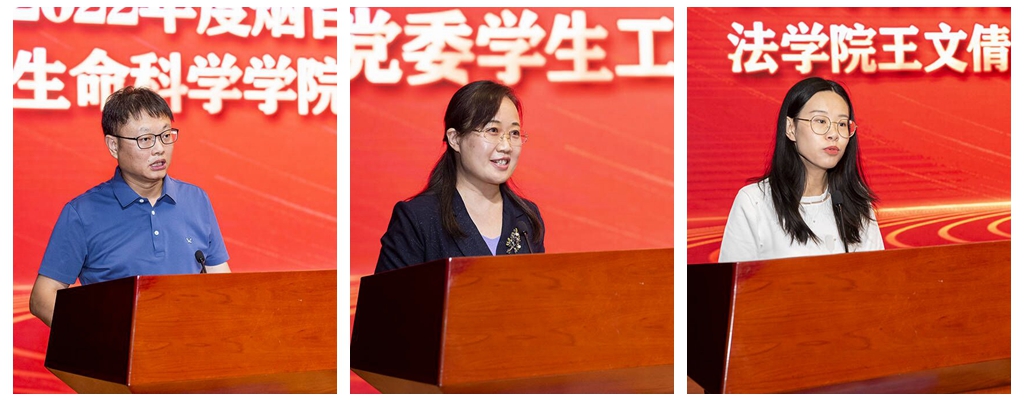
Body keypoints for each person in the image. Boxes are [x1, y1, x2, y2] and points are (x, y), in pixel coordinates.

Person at [29, 86, 231, 327]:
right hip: (119, 349)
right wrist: (97, 339)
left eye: (166, 135)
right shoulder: (82, 213)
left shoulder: (196, 199)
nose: (159, 148)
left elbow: (222, 283)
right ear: (113, 145)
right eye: (145, 139)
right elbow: (43, 297)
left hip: (191, 343)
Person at [375, 80, 545, 273]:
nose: (506, 146)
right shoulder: (418, 218)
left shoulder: (526, 218)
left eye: (514, 133)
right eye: (492, 131)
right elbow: (388, 293)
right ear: (455, 139)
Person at [719, 77, 883, 262]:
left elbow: (878, 276)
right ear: (791, 128)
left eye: (842, 124)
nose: (833, 134)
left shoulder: (857, 204)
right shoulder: (755, 203)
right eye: (820, 121)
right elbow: (734, 279)